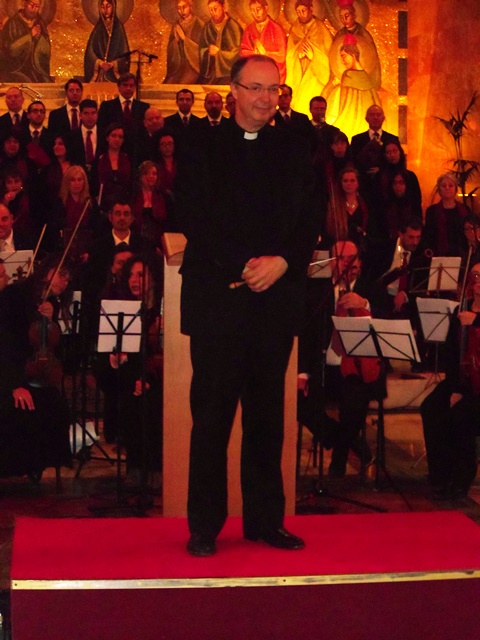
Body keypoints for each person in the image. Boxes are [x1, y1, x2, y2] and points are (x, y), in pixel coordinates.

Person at [176, 54, 320, 556]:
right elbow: (194, 215)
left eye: (273, 89)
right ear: (233, 91)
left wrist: (283, 261)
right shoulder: (202, 145)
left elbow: (310, 215)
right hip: (219, 301)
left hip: (273, 302)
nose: (265, 98)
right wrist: (245, 264)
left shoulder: (295, 146)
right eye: (255, 88)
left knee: (267, 418)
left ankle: (265, 521)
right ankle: (204, 526)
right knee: (211, 418)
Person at [298, 240, 378, 476]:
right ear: (332, 262)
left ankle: (339, 458)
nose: (346, 264)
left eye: (351, 258)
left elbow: (388, 315)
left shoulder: (370, 286)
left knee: (354, 402)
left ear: (359, 262)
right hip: (325, 366)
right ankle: (345, 441)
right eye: (341, 259)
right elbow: (306, 334)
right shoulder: (317, 292)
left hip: (358, 369)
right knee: (298, 401)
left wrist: (365, 304)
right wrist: (302, 374)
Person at [0, 253, 73, 478]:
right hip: (9, 374)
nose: (65, 281)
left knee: (57, 406)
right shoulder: (14, 295)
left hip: (34, 373)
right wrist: (14, 385)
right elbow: (5, 343)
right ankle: (17, 467)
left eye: (68, 278)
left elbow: (55, 350)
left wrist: (51, 322)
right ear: (46, 272)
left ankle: (38, 464)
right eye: (61, 274)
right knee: (22, 408)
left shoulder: (52, 304)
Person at [94, 254, 163, 482]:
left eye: (141, 275)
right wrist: (118, 361)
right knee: (131, 396)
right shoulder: (124, 310)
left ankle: (155, 467)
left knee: (152, 398)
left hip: (161, 376)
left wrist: (147, 378)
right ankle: (136, 465)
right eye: (131, 275)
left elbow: (161, 357)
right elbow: (125, 355)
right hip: (132, 376)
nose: (134, 280)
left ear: (153, 279)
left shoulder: (163, 308)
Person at [421, 262, 480, 500]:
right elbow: (450, 355)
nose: (478, 282)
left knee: (461, 414)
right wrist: (456, 388)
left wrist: (476, 322)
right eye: (475, 276)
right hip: (463, 380)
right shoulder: (460, 310)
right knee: (430, 407)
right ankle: (440, 475)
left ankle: (461, 479)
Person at [285, 0, 332, 116]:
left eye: (303, 10)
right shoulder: (294, 29)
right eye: (298, 11)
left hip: (315, 76)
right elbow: (289, 54)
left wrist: (314, 57)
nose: (301, 14)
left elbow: (329, 57)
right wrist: (297, 56)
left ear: (311, 9)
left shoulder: (321, 29)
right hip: (298, 74)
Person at [0, 0, 51, 83]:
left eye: (37, 6)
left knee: (45, 81)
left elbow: (46, 49)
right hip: (15, 68)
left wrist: (39, 38)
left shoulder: (40, 23)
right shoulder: (13, 23)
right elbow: (10, 49)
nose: (33, 8)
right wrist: (29, 36)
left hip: (36, 68)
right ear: (24, 4)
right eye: (31, 4)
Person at [424, 172, 471, 258]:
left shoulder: (465, 210)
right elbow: (428, 236)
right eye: (443, 186)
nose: (447, 188)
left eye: (450, 185)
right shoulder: (432, 211)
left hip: (462, 254)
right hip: (439, 254)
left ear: (456, 189)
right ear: (439, 190)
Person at [240, 0, 287, 82]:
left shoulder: (277, 29)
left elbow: (282, 56)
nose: (256, 13)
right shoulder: (248, 29)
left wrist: (266, 54)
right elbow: (243, 52)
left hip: (273, 73)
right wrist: (254, 54)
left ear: (266, 8)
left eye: (258, 9)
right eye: (252, 10)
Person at [84, 0, 130, 83]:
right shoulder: (98, 29)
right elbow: (90, 52)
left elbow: (125, 54)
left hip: (114, 76)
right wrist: (100, 63)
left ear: (114, 7)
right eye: (102, 7)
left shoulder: (119, 28)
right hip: (99, 76)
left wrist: (113, 64)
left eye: (108, 6)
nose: (105, 10)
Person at [198, 0, 243, 84]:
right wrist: (208, 51)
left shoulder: (234, 26)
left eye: (215, 8)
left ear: (223, 7)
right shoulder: (207, 27)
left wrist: (219, 53)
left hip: (229, 74)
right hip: (211, 73)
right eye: (210, 10)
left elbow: (238, 54)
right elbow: (201, 50)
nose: (213, 12)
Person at [91, 123, 132, 213]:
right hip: (103, 206)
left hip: (124, 205)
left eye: (120, 137)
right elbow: (93, 184)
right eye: (114, 136)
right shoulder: (99, 160)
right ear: (107, 138)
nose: (117, 139)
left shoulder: (129, 160)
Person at [350, 105, 399, 176]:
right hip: (363, 179)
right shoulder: (357, 139)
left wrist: (381, 170)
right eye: (372, 115)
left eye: (378, 115)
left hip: (387, 179)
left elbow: (397, 163)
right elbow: (353, 162)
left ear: (383, 118)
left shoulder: (392, 139)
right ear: (366, 119)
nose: (375, 117)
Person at [164, 0, 204, 84]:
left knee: (183, 84)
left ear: (190, 7)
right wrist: (176, 41)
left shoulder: (199, 24)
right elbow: (170, 51)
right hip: (178, 66)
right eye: (179, 8)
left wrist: (184, 39)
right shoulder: (176, 25)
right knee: (169, 84)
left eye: (184, 7)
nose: (182, 11)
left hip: (193, 67)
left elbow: (202, 51)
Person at [131, 160, 167, 249]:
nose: (151, 176)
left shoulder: (164, 196)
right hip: (136, 241)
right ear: (140, 176)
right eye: (146, 173)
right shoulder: (133, 195)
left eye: (154, 174)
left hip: (157, 242)